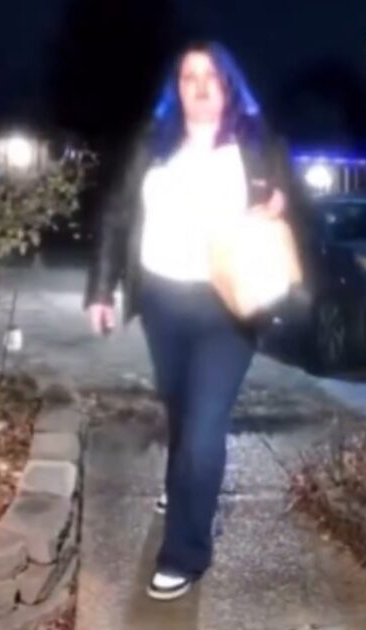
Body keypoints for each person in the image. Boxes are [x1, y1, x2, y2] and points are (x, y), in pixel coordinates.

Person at [84, 40, 297, 601]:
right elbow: (118, 213)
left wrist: (280, 201)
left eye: (211, 76)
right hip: (160, 300)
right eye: (188, 76)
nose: (200, 85)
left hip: (229, 306)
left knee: (204, 428)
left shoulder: (258, 145)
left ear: (229, 86)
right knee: (179, 405)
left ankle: (184, 551)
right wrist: (101, 288)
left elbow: (295, 205)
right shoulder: (153, 146)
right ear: (175, 90)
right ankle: (179, 488)